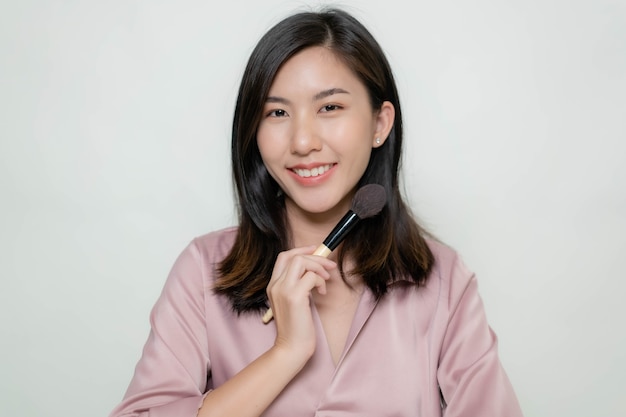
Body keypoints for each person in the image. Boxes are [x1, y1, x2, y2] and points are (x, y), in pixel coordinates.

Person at [109, 7, 523, 417]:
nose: (303, 141)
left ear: (380, 124)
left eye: (330, 108)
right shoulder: (203, 270)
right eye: (277, 113)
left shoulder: (444, 281)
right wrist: (285, 354)